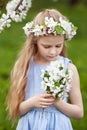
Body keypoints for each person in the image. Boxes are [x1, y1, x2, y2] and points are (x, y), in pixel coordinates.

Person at [7, 9, 84, 130]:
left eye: (58, 46)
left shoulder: (69, 68)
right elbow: (15, 111)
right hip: (30, 125)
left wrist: (58, 103)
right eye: (47, 46)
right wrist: (32, 102)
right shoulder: (25, 66)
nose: (53, 51)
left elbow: (79, 113)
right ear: (36, 41)